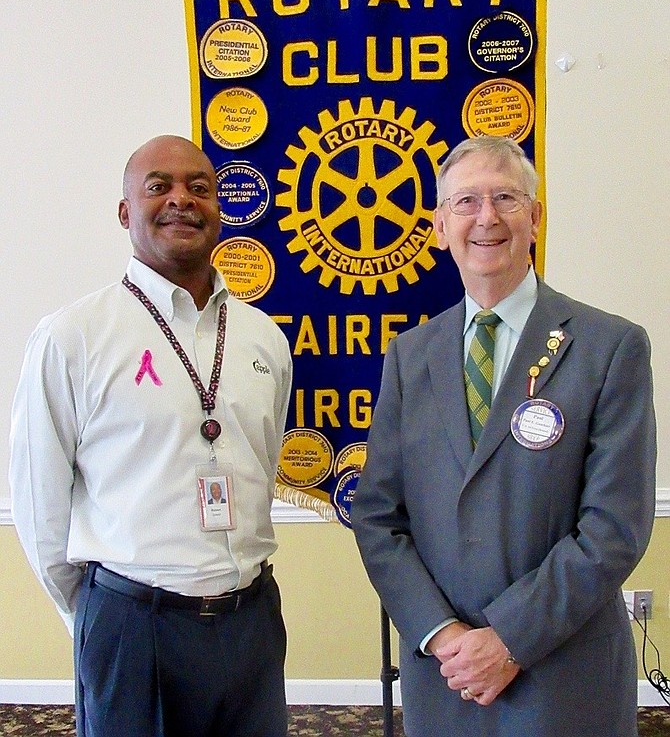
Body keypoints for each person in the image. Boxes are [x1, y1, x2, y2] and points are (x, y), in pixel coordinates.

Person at [351, 135, 656, 737]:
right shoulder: (410, 357)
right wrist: (445, 638)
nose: (486, 217)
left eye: (505, 199)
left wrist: (511, 638)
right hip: (447, 680)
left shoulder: (610, 346)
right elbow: (378, 516)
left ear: (535, 218)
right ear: (439, 226)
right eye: (465, 202)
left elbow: (614, 526)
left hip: (564, 678)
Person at [9, 135, 293, 737]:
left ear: (221, 206)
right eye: (158, 186)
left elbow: (261, 466)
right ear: (125, 212)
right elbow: (39, 502)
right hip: (133, 624)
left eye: (200, 187)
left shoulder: (263, 337)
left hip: (252, 621)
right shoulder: (73, 336)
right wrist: (97, 613)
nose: (181, 200)